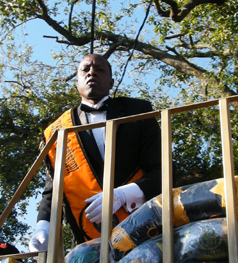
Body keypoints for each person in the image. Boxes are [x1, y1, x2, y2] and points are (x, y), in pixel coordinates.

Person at [28, 54, 162, 251]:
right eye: (85, 69)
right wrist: (43, 226)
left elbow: (162, 169)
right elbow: (54, 189)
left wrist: (123, 195)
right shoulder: (58, 130)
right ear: (77, 81)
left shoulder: (138, 110)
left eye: (100, 69)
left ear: (111, 83)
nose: (92, 72)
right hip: (89, 240)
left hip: (144, 229)